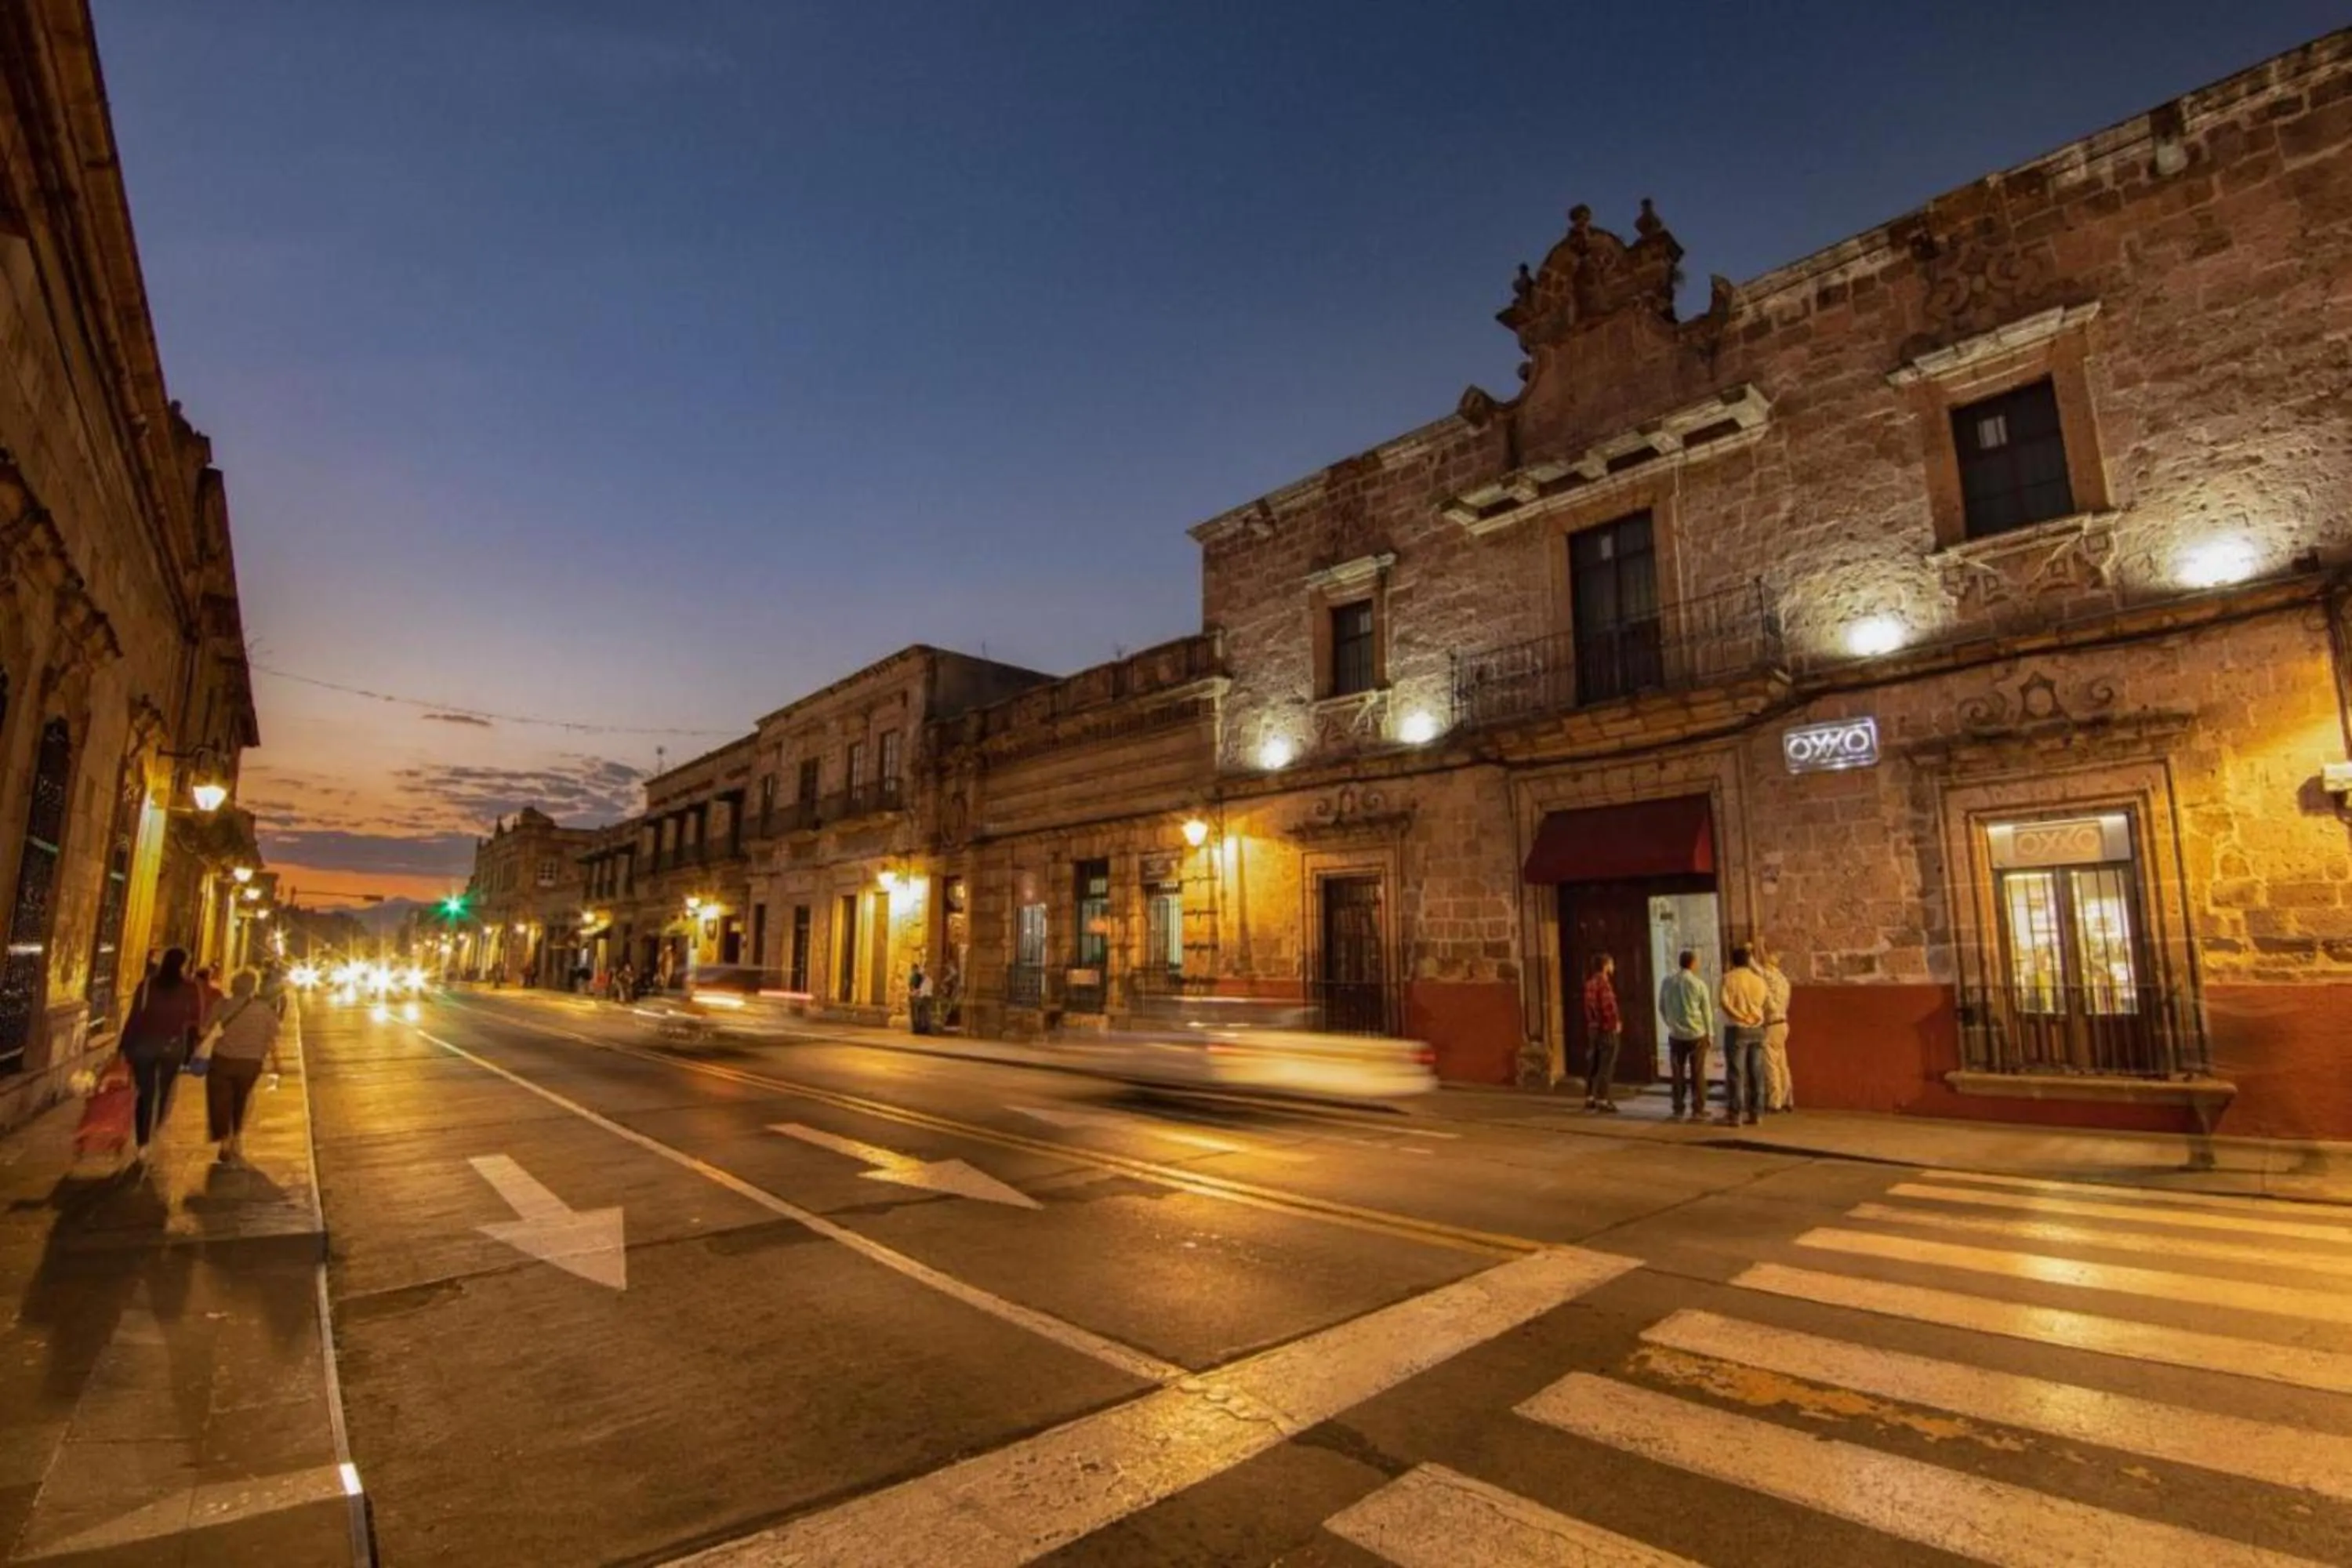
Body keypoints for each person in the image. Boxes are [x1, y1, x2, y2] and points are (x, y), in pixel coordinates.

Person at [120, 946, 203, 1163]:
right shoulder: (189, 987)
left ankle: (143, 1142)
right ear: (183, 964)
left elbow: (135, 1017)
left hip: (143, 1045)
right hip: (172, 1046)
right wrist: (191, 1049)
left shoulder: (147, 985)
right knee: (164, 1092)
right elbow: (195, 1019)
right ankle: (155, 1129)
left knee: (144, 1093)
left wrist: (123, 1048)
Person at [205, 970, 282, 1163]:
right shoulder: (264, 1009)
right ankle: (236, 1136)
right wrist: (277, 1062)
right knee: (241, 1099)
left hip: (222, 1059)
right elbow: (273, 1037)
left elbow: (204, 1029)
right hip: (250, 1062)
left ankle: (224, 1141)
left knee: (219, 1101)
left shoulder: (222, 1005)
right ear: (253, 988)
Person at [1657, 950, 1713, 1122]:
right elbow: (1706, 1011)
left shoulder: (1667, 982)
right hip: (1696, 1033)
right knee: (1697, 1073)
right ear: (1693, 963)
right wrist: (1710, 1033)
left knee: (1677, 1072)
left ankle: (1678, 1109)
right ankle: (1698, 1110)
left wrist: (1670, 1023)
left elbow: (1661, 1006)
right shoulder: (1698, 984)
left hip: (1676, 1034)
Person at [1719, 944, 1770, 1127]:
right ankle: (1757, 1113)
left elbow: (1724, 1003)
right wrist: (1754, 1016)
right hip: (1757, 1028)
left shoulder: (1728, 978)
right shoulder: (1759, 980)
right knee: (1756, 1072)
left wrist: (1740, 1016)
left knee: (1736, 1072)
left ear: (1732, 961)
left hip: (1737, 1028)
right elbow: (1765, 1002)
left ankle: (1736, 1114)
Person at [1581, 953, 1622, 1113]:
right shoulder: (1604, 984)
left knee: (1594, 1063)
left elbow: (1588, 1007)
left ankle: (1590, 1097)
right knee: (1607, 1064)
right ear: (1605, 966)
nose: (1613, 967)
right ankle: (1603, 1099)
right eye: (1611, 964)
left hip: (1593, 1028)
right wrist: (1614, 1025)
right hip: (1606, 1029)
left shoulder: (1590, 983)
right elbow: (1608, 1008)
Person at [1757, 942, 1795, 1112]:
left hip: (1771, 1025)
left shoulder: (1768, 976)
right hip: (1783, 1023)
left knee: (1770, 1064)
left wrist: (1755, 947)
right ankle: (1788, 1098)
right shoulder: (1784, 981)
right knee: (1782, 1064)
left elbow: (1755, 967)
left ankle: (1775, 1101)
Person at [908, 961, 933, 1035]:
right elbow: (921, 989)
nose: (923, 974)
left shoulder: (927, 980)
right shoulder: (923, 980)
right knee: (921, 1014)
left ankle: (924, 1029)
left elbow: (924, 991)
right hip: (922, 997)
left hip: (925, 998)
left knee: (924, 1014)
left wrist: (916, 993)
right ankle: (921, 1028)